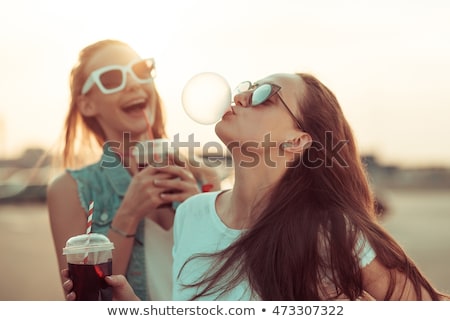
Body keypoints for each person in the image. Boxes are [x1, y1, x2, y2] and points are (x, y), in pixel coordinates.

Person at [63, 72, 449, 301]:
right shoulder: (193, 214)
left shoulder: (332, 232)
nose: (241, 95)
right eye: (249, 85)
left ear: (297, 141)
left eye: (265, 95)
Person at [47, 39, 221, 301]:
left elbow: (227, 275)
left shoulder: (204, 177)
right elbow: (90, 298)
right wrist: (128, 214)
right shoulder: (69, 189)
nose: (134, 83)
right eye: (112, 77)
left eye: (141, 71)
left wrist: (198, 213)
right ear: (87, 104)